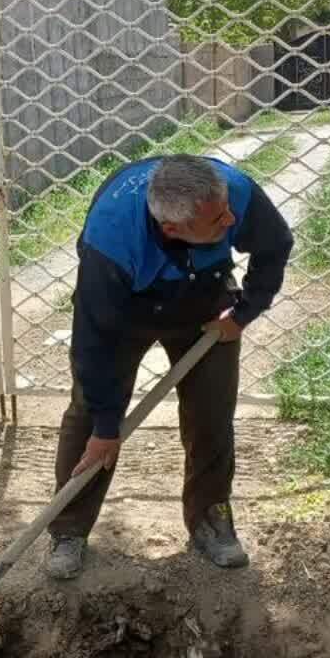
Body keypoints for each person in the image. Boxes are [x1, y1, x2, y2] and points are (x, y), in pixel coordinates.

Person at [47, 153, 293, 579]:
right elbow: (95, 344)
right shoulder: (111, 242)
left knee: (212, 412)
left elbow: (275, 244)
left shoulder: (230, 191)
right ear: (172, 228)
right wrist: (108, 430)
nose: (231, 220)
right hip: (128, 309)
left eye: (226, 210)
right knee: (90, 416)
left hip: (204, 296)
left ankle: (209, 519)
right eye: (218, 221)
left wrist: (242, 314)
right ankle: (68, 529)